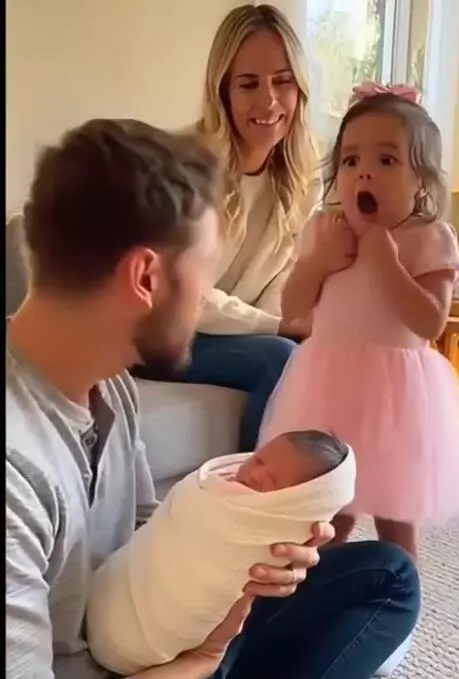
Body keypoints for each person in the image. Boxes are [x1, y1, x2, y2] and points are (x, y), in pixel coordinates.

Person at [6, 118, 459, 679]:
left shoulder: (105, 385)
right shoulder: (13, 466)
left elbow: (141, 533)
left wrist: (238, 561)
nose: (207, 301)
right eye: (206, 276)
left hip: (149, 653)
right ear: (148, 276)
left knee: (384, 577)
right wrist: (191, 671)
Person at [260, 82, 459, 561]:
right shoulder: (326, 229)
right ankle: (321, 602)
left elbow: (430, 321)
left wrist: (385, 260)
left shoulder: (429, 237)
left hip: (397, 399)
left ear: (421, 180)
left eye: (387, 160)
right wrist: (320, 263)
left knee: (397, 516)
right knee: (329, 510)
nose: (364, 175)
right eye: (351, 160)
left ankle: (399, 608)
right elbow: (293, 306)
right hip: (327, 387)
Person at [133, 4, 343, 452]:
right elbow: (185, 293)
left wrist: (293, 323)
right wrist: (278, 326)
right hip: (161, 330)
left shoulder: (305, 174)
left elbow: (285, 273)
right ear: (222, 91)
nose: (269, 101)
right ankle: (251, 503)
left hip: (229, 332)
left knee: (326, 354)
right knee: (283, 356)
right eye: (248, 84)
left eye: (283, 81)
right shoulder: (185, 163)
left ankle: (317, 497)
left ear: (299, 88)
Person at [87, 430, 356, 673]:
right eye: (259, 461)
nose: (255, 474)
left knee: (391, 564)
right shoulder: (211, 487)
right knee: (391, 574)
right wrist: (207, 656)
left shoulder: (278, 524)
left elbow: (154, 518)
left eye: (274, 481)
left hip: (187, 622)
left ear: (297, 503)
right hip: (166, 653)